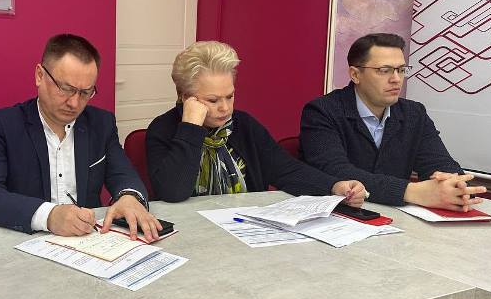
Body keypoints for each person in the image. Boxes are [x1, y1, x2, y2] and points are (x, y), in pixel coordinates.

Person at [0, 34, 162, 240]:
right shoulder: (4, 125)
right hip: (25, 241)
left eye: (85, 93)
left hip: (87, 242)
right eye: (66, 89)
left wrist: (130, 197)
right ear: (40, 75)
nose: (74, 103)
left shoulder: (101, 123)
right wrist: (49, 216)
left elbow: (124, 175)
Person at [146, 41, 367, 203]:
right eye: (213, 100)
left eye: (230, 96)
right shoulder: (163, 129)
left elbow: (286, 170)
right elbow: (173, 192)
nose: (225, 108)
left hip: (243, 227)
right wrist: (191, 128)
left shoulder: (244, 125)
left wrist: (333, 186)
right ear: (186, 97)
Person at [299, 33, 486, 211]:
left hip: (395, 217)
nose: (396, 79)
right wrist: (411, 192)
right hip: (337, 217)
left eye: (401, 70)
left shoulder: (414, 113)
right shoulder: (322, 111)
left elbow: (439, 163)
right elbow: (335, 171)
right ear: (355, 75)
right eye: (384, 70)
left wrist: (457, 186)